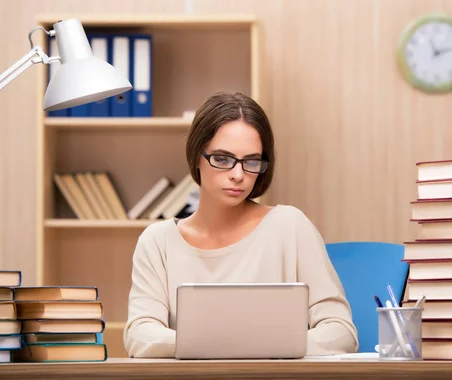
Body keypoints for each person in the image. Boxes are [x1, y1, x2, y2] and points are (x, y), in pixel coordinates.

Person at [123, 92, 358, 358]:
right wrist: (232, 344)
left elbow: (340, 332)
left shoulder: (290, 226)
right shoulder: (158, 241)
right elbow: (140, 335)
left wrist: (239, 345)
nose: (238, 175)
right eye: (222, 159)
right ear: (197, 156)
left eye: (251, 161)